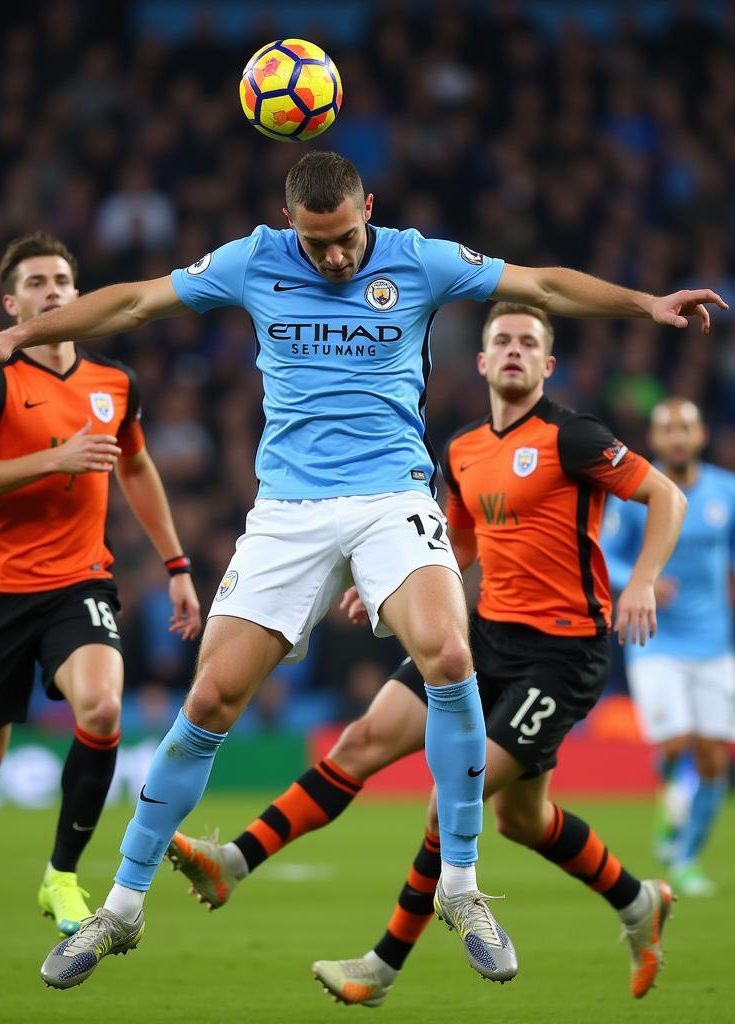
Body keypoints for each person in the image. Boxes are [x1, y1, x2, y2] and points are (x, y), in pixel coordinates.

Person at [0, 151, 724, 993]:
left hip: (392, 495)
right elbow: (134, 303)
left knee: (450, 654)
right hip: (287, 512)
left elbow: (542, 285)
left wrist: (646, 302)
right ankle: (122, 908)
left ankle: (460, 886)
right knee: (210, 700)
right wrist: (21, 338)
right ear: (291, 228)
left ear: (370, 212)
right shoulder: (252, 261)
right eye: (318, 246)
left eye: (349, 239)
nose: (338, 259)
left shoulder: (417, 258)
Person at [167, 303, 687, 1004]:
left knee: (456, 792)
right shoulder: (465, 449)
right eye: (500, 340)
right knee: (430, 773)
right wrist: (387, 583)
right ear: (479, 361)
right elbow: (461, 542)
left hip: (561, 656)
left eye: (528, 343)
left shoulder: (574, 437)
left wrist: (645, 582)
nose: (512, 351)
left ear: (547, 365)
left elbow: (666, 497)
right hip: (487, 636)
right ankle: (233, 860)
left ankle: (379, 969)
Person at [0, 231, 201, 1018]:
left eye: (63, 280)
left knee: (104, 707)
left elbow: (136, 465)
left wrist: (178, 566)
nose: (53, 291)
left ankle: (61, 874)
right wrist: (51, 460)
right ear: (11, 305)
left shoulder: (115, 381)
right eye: (36, 283)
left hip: (79, 583)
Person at [602, 398, 735, 896]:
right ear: (656, 439)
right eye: (668, 429)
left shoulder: (727, 490)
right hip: (656, 639)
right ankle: (670, 783)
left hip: (714, 643)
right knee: (675, 744)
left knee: (712, 756)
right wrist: (642, 580)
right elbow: (605, 555)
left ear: (702, 434)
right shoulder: (636, 492)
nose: (678, 436)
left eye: (686, 426)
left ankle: (686, 856)